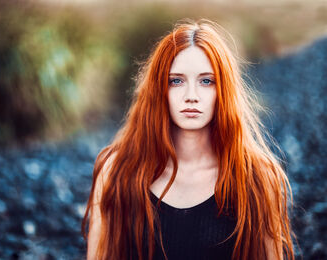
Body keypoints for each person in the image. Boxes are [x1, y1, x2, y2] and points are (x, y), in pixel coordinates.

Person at [81, 18, 296, 260]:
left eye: (206, 81)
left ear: (223, 90)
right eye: (176, 81)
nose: (191, 96)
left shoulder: (257, 176)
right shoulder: (116, 172)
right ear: (158, 88)